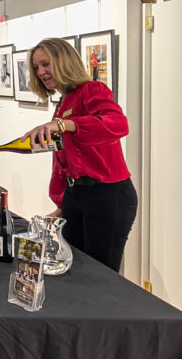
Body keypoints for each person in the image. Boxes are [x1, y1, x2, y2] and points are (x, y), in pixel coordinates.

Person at [21, 38, 137, 271]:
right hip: (77, 195)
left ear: (64, 61)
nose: (41, 72)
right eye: (36, 67)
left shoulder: (92, 90)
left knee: (100, 273)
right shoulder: (63, 102)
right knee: (75, 269)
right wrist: (63, 204)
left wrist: (66, 124)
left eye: (46, 64)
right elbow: (65, 161)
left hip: (107, 195)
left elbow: (118, 124)